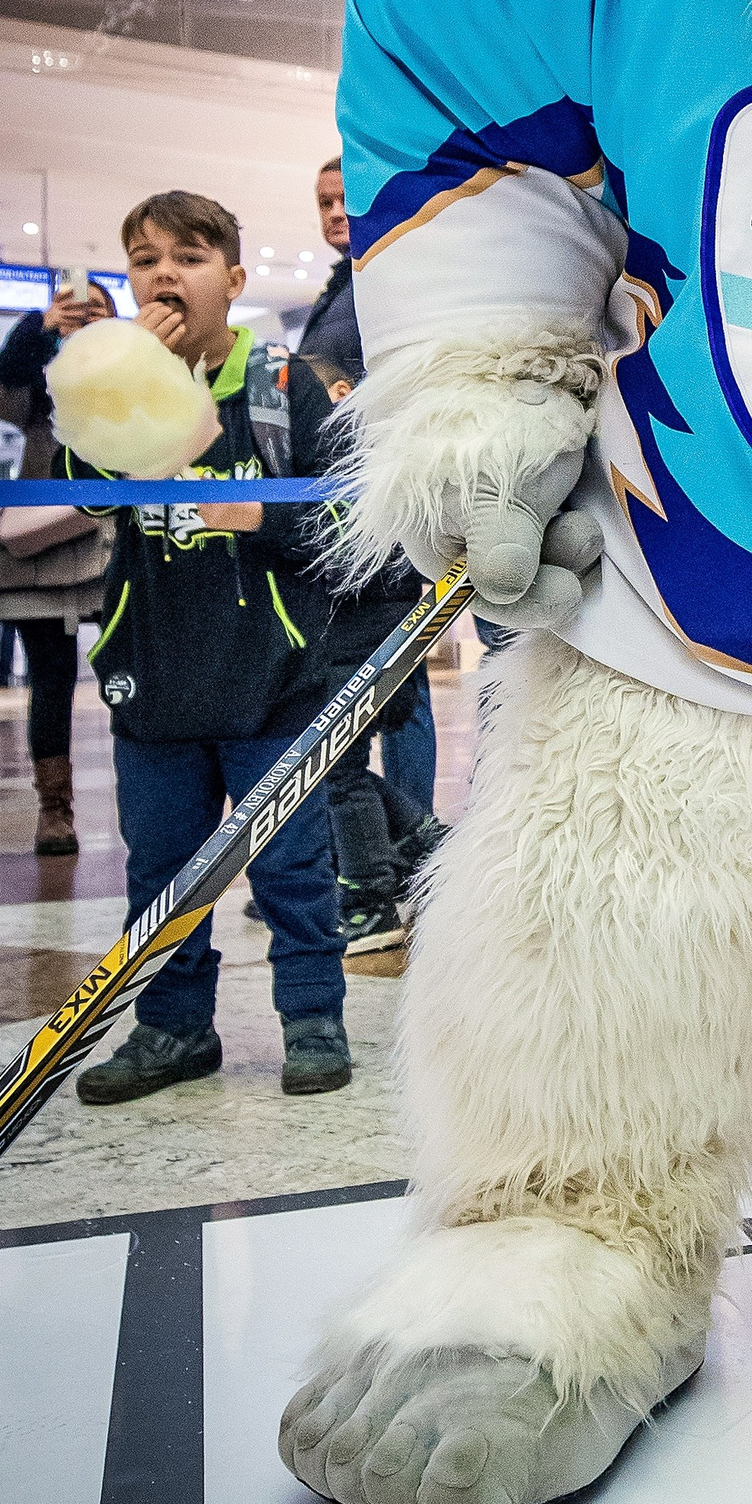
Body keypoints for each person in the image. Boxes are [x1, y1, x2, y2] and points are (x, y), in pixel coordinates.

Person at [2, 192, 352, 1100]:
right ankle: (172, 1028)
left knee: (292, 866)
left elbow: (353, 530)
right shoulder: (120, 376)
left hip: (274, 678)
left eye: (189, 259)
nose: (165, 275)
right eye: (146, 259)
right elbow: (85, 494)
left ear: (232, 280)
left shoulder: (285, 386)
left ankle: (313, 1019)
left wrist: (261, 520)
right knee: (160, 873)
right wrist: (120, 377)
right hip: (152, 675)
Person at [293, 152, 443, 954]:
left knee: (383, 708)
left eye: (344, 195)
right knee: (361, 717)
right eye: (323, 200)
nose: (334, 211)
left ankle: (397, 866)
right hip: (348, 536)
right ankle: (409, 847)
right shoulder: (338, 288)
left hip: (382, 530)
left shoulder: (392, 279)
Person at [0, 277, 118, 854]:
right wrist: (37, 331)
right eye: (74, 310)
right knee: (50, 683)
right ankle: (54, 811)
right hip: (39, 544)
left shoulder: (130, 371)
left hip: (112, 538)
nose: (84, 317)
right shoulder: (41, 382)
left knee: (129, 674)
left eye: (97, 310)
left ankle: (148, 794)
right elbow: (2, 397)